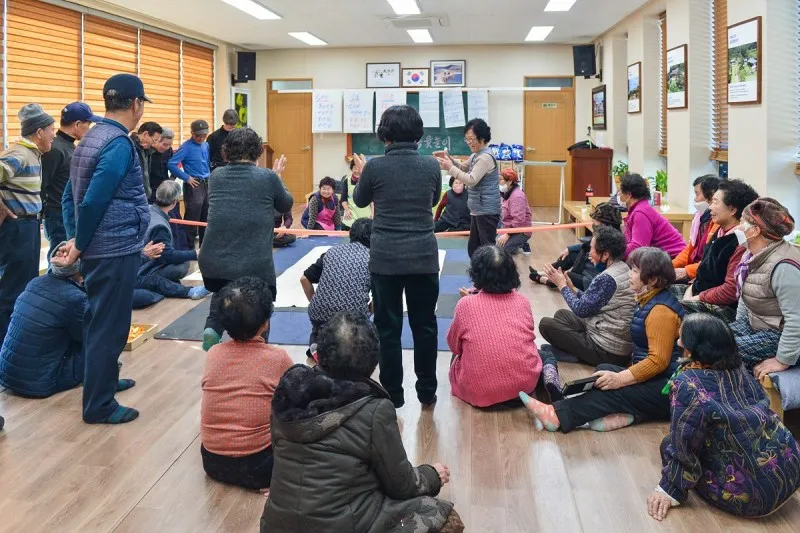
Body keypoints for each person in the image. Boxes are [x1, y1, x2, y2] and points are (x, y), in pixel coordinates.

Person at [261, 312, 463, 533]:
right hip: (345, 525)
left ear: (318, 353)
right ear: (373, 362)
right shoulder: (374, 410)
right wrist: (431, 475)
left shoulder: (288, 391)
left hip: (275, 525)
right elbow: (401, 486)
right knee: (444, 516)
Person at [54, 74, 151, 424]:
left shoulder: (91, 137)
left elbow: (70, 198)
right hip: (113, 248)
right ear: (135, 104)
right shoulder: (118, 144)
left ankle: (104, 381)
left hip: (100, 246)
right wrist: (79, 245)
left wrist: (75, 239)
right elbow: (94, 200)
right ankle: (99, 405)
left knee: (98, 320)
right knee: (109, 326)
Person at [648, 314, 800, 521]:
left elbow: (684, 444)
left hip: (757, 498)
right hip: (791, 469)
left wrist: (669, 489)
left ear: (692, 349)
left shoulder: (688, 384)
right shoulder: (737, 366)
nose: (679, 341)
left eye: (682, 337)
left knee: (668, 444)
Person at [521, 247, 684, 433]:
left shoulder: (660, 312)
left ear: (653, 280)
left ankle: (557, 415)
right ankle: (632, 413)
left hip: (669, 388)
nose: (630, 274)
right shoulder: (648, 299)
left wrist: (621, 379)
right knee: (603, 372)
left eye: (635, 271)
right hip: (659, 378)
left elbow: (658, 361)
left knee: (614, 390)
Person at [352, 105, 442, 409]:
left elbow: (359, 201)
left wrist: (360, 173)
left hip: (386, 259)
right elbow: (432, 199)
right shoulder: (430, 166)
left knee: (387, 329)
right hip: (423, 257)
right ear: (418, 134)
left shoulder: (375, 167)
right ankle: (427, 391)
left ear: (384, 134)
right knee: (425, 326)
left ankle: (392, 394)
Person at [198, 128, 292, 351]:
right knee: (258, 305)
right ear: (257, 151)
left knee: (225, 290)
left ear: (226, 151)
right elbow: (286, 204)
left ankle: (213, 326)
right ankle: (258, 348)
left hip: (213, 262)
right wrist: (277, 176)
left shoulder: (216, 176)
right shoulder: (267, 177)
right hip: (254, 264)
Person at [200, 277, 293, 491]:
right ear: (266, 323)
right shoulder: (278, 358)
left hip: (212, 463)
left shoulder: (213, 354)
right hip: (261, 466)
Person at [447, 246, 541, 408]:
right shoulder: (522, 302)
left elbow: (454, 346)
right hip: (524, 389)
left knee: (457, 354)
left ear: (476, 274)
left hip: (480, 392)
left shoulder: (465, 305)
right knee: (541, 352)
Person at [537, 226, 635, 373]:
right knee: (561, 315)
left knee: (546, 324)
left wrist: (562, 286)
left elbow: (581, 310)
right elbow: (591, 302)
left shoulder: (607, 278)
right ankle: (573, 352)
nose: (589, 253)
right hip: (608, 334)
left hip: (608, 351)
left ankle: (576, 355)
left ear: (605, 254)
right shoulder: (622, 268)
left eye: (592, 249)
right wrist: (572, 288)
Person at [0, 104, 56, 344]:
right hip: (17, 228)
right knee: (13, 290)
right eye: (52, 129)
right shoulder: (20, 154)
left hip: (28, 227)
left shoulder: (32, 153)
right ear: (39, 131)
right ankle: (6, 346)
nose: (54, 135)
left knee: (24, 286)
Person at [0, 245, 87, 397]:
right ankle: (106, 383)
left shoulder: (35, 282)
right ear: (81, 276)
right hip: (39, 383)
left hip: (6, 375)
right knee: (100, 339)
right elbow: (88, 336)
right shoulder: (75, 298)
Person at [669, 179, 758, 322]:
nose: (710, 207)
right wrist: (691, 290)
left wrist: (695, 298)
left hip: (722, 307)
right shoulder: (719, 231)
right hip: (699, 293)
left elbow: (730, 290)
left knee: (665, 308)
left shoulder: (740, 242)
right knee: (655, 289)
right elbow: (703, 269)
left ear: (732, 209)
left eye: (715, 202)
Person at [730, 198, 800, 377]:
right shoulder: (751, 255)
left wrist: (782, 360)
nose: (738, 227)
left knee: (718, 352)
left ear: (755, 230)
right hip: (758, 324)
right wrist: (738, 327)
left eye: (742, 222)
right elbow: (747, 297)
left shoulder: (784, 266)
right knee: (708, 339)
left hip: (779, 334)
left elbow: (796, 320)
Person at [133, 181, 209, 308]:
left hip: (137, 263)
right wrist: (195, 254)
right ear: (175, 202)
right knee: (180, 267)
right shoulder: (160, 226)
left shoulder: (147, 209)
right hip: (141, 269)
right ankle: (189, 292)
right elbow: (167, 256)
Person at [41, 102, 102, 260]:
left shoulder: (69, 147)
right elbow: (42, 183)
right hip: (58, 214)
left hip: (68, 212)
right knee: (60, 259)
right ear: (77, 124)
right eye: (88, 124)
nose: (89, 128)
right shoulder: (55, 149)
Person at [301, 218, 373, 346]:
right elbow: (381, 296)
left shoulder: (332, 251)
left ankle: (316, 348)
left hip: (319, 315)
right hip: (353, 321)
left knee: (321, 338)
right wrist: (368, 311)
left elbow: (304, 279)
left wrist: (315, 302)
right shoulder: (373, 258)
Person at [435, 118, 501, 258]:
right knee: (474, 249)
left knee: (487, 250)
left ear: (482, 138)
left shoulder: (485, 157)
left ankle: (490, 272)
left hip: (486, 210)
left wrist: (450, 167)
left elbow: (471, 180)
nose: (469, 142)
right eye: (467, 139)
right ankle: (479, 271)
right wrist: (448, 159)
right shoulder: (476, 155)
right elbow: (463, 167)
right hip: (478, 209)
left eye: (471, 139)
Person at [530, 202, 622, 291]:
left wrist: (587, 256)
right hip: (586, 268)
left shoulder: (610, 243)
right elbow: (587, 245)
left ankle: (547, 280)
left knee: (566, 276)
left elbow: (598, 266)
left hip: (590, 279)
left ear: (604, 225)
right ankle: (546, 272)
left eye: (595, 224)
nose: (593, 226)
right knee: (571, 254)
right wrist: (570, 249)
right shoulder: (606, 235)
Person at [618, 173, 685, 259]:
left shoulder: (640, 213)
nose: (618, 195)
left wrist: (614, 252)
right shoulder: (640, 208)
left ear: (629, 195)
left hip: (672, 259)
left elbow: (638, 248)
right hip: (662, 257)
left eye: (620, 192)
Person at [672, 175, 721, 283]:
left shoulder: (717, 223)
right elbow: (690, 249)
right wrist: (670, 266)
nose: (695, 199)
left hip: (702, 274)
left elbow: (710, 261)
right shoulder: (700, 218)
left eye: (697, 194)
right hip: (696, 269)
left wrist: (686, 271)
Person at [169, 119, 211, 244]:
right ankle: (188, 247)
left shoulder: (206, 145)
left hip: (207, 183)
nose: (201, 138)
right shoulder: (186, 147)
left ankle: (205, 246)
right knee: (192, 218)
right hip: (194, 184)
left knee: (206, 217)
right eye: (198, 135)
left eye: (204, 135)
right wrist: (186, 178)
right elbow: (171, 164)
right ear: (192, 133)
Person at [497, 167, 532, 254]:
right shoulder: (506, 192)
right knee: (493, 243)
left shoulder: (517, 196)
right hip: (508, 226)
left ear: (509, 181)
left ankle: (521, 242)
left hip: (520, 230)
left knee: (501, 251)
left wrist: (507, 234)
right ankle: (518, 243)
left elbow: (519, 220)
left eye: (500, 179)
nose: (498, 182)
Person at [130, 121, 162, 200]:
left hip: (143, 195)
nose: (154, 143)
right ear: (145, 134)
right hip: (133, 196)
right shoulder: (129, 147)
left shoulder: (147, 150)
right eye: (154, 140)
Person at [338, 159, 373, 229]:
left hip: (365, 213)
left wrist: (373, 213)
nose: (357, 171)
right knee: (345, 227)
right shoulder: (346, 181)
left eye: (359, 168)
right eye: (355, 168)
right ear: (351, 168)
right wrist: (347, 210)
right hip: (351, 212)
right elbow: (343, 200)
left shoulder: (368, 181)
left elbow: (372, 200)